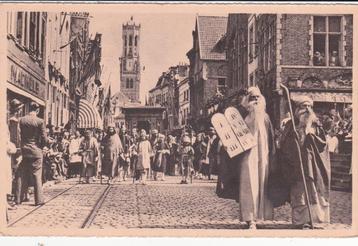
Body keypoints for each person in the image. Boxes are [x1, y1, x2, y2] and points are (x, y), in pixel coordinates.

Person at [280, 95, 330, 228]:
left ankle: (315, 219)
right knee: (299, 193)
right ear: (297, 109)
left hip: (313, 166)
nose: (307, 109)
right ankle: (300, 220)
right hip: (296, 166)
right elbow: (283, 144)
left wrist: (310, 135)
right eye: (304, 106)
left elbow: (323, 144)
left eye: (309, 106)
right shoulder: (291, 125)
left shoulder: (316, 124)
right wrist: (294, 138)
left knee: (314, 192)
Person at [237, 87, 276, 229]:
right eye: (253, 98)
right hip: (248, 154)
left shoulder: (266, 117)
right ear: (248, 100)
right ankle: (250, 218)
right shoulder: (243, 116)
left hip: (263, 154)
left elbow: (271, 137)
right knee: (249, 184)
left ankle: (261, 216)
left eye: (258, 97)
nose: (255, 100)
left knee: (263, 183)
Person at [18, 102, 50, 206]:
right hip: (36, 151)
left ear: (29, 109)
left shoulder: (21, 120)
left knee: (22, 174)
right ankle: (39, 200)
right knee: (37, 174)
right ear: (37, 110)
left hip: (24, 150)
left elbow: (19, 136)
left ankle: (18, 198)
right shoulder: (40, 121)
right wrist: (44, 145)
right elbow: (44, 138)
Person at [8, 99, 25, 206]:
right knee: (15, 174)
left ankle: (15, 197)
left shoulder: (12, 121)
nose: (20, 112)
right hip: (15, 152)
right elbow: (15, 139)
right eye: (19, 109)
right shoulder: (14, 122)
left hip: (14, 151)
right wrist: (19, 152)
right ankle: (14, 198)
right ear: (17, 110)